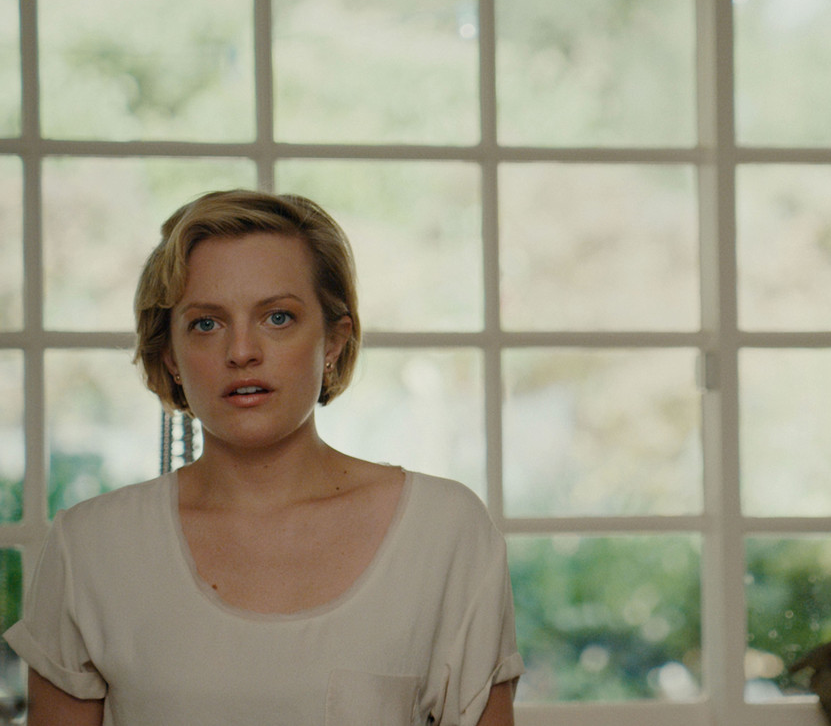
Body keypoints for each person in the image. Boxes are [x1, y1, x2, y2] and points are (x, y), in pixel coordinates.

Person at [5, 189, 523, 725]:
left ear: (333, 341)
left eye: (277, 317)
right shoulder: (90, 550)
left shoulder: (443, 532)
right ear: (171, 356)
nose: (242, 352)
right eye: (206, 323)